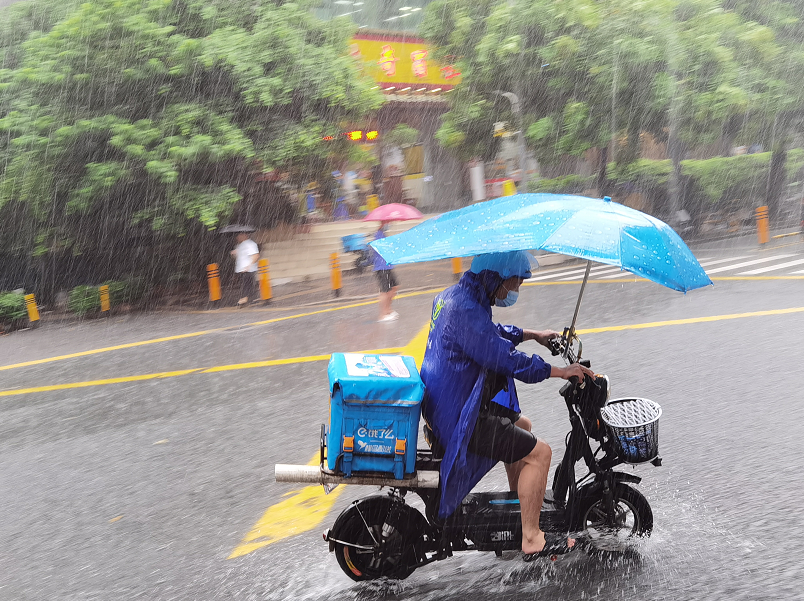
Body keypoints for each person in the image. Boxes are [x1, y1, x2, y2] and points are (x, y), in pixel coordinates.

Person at [420, 250, 595, 559]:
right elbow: (503, 358)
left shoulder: (455, 297)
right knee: (541, 454)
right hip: (461, 419)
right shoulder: (466, 309)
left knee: (522, 426)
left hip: (445, 407)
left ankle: (520, 508)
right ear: (494, 277)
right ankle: (531, 537)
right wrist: (560, 371)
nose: (514, 291)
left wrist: (533, 335)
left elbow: (489, 334)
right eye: (513, 283)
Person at [373, 221, 399, 322]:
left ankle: (388, 310)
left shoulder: (383, 234)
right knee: (385, 291)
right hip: (381, 267)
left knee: (394, 287)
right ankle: (383, 314)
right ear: (383, 223)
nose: (390, 224)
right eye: (388, 222)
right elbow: (381, 250)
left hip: (387, 266)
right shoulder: (378, 234)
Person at [230, 232, 259, 306]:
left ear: (244, 235)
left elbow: (256, 255)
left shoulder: (250, 244)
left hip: (248, 269)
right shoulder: (239, 245)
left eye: (239, 235)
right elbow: (239, 257)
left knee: (246, 284)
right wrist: (234, 253)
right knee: (247, 284)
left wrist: (249, 265)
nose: (237, 237)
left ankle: (244, 299)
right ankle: (251, 298)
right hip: (241, 269)